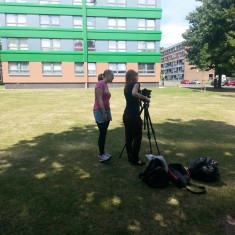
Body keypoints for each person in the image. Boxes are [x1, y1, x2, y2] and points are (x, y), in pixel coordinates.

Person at [123, 69, 150, 166]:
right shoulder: (136, 84)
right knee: (137, 138)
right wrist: (145, 98)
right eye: (136, 75)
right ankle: (135, 159)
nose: (137, 76)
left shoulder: (126, 86)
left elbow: (132, 96)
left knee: (129, 137)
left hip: (126, 115)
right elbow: (134, 93)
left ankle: (130, 157)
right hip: (133, 115)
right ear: (133, 76)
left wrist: (140, 97)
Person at [93, 70, 114, 163]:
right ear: (107, 75)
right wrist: (104, 113)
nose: (113, 77)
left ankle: (102, 152)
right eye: (112, 75)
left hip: (106, 109)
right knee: (102, 133)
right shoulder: (100, 84)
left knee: (104, 132)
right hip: (100, 111)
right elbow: (99, 99)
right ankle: (101, 155)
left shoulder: (105, 84)